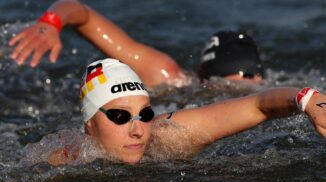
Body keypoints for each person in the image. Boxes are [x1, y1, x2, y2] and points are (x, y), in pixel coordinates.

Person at [23, 58, 325, 166]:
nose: (138, 129)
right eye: (119, 116)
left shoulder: (168, 136)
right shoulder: (61, 161)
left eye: (144, 114)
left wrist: (308, 99)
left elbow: (257, 105)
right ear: (89, 124)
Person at [8, 0, 264, 89]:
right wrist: (49, 23)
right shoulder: (165, 75)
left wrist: (50, 24)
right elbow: (81, 12)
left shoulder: (168, 77)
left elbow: (80, 13)